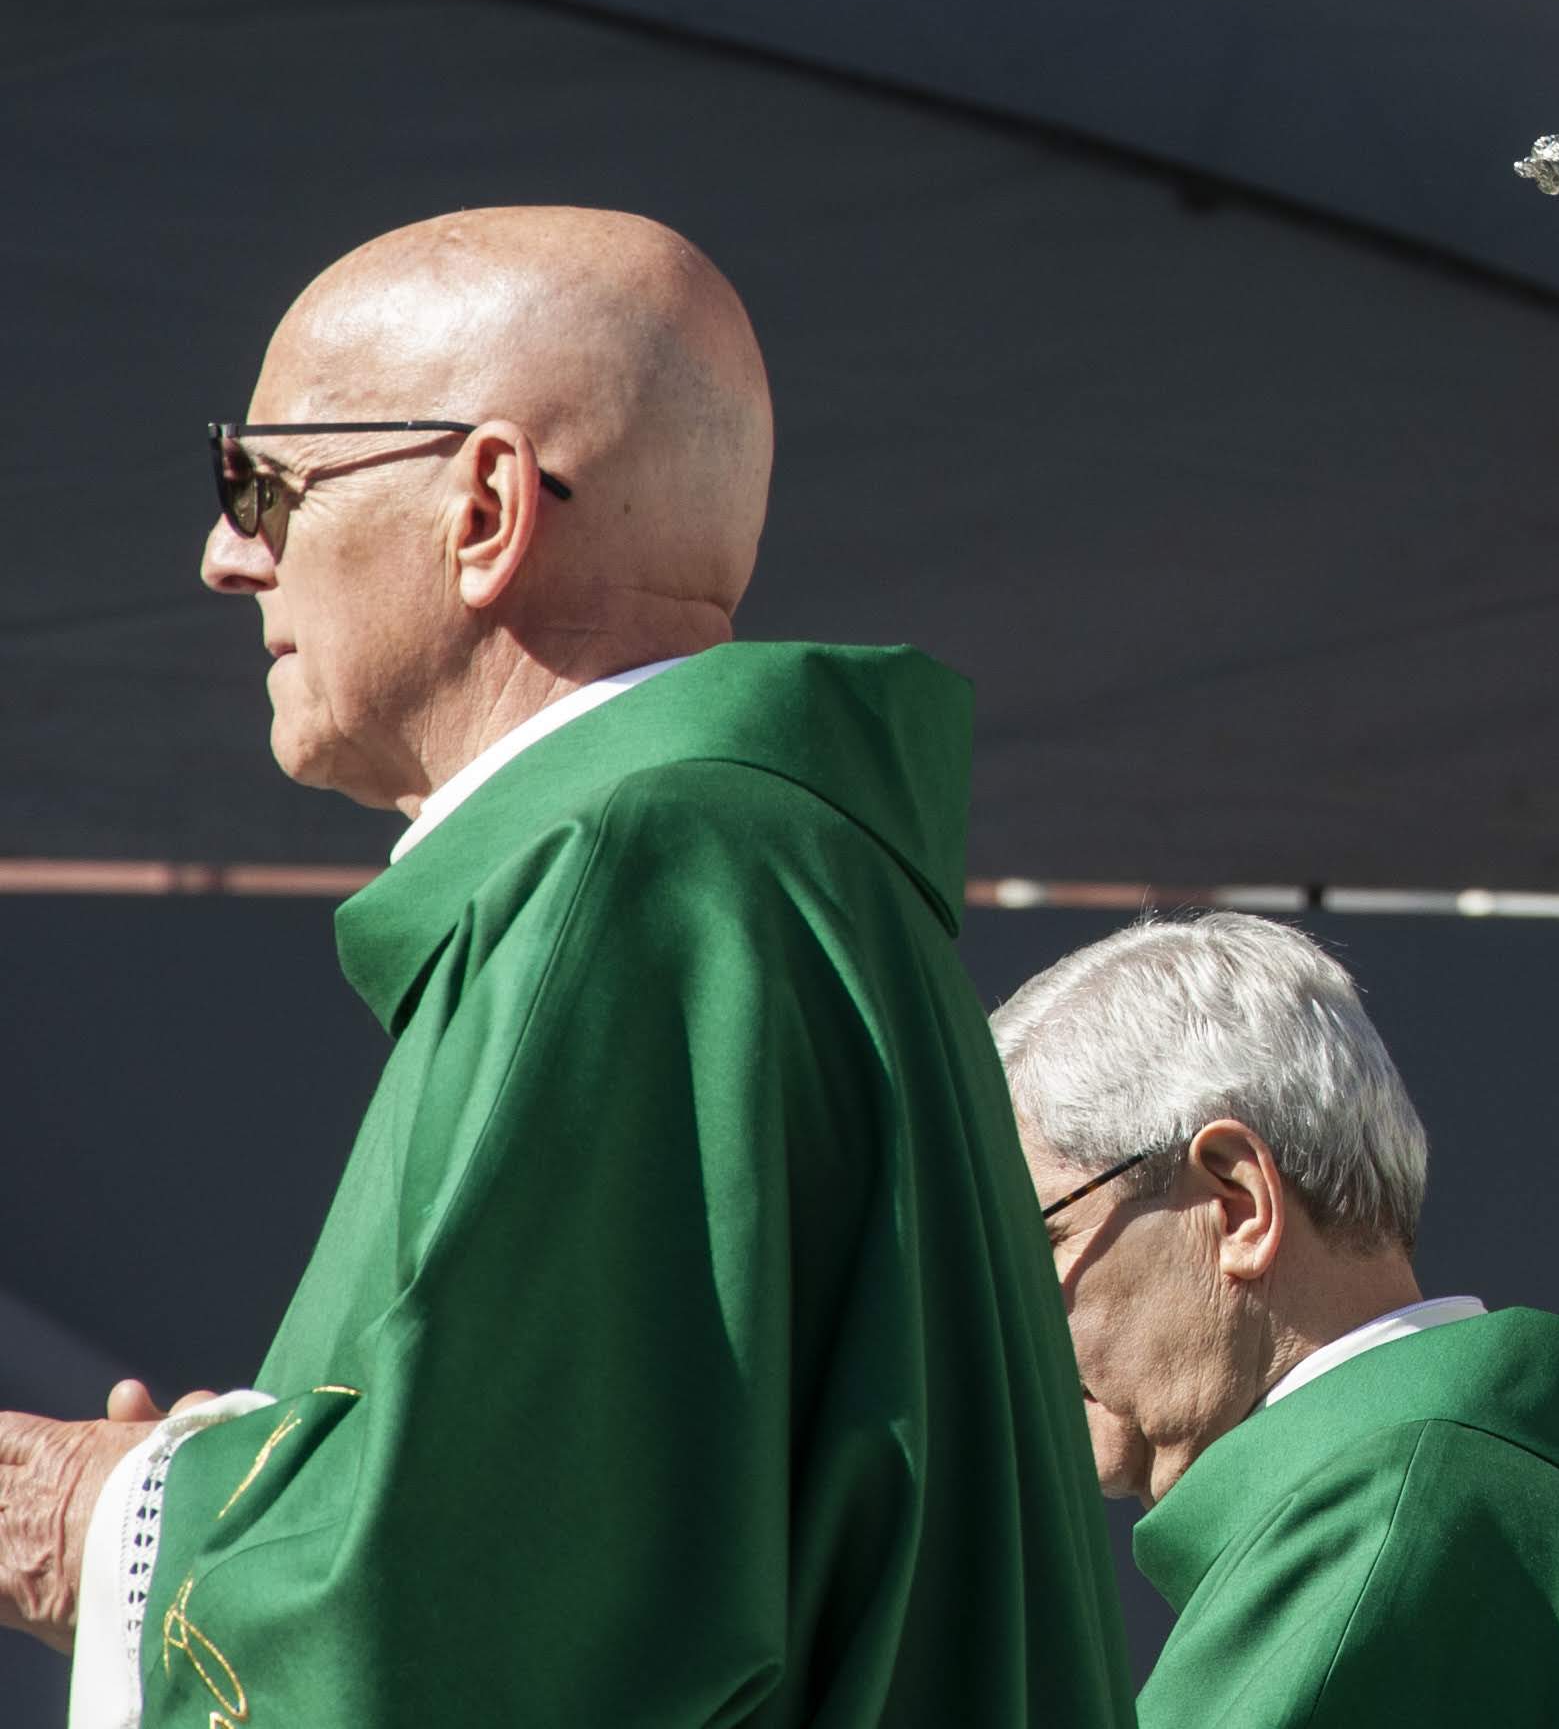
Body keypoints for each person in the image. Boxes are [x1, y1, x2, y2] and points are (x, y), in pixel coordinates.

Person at [0, 208, 1131, 1727]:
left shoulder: (653, 872)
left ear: (483, 505)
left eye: (258, 479)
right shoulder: (773, 867)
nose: (224, 553)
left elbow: (500, 1605)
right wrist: (264, 1477)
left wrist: (116, 1525)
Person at [992, 912, 1559, 1729]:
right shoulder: (1454, 1497)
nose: (1014, 1307)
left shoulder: (1380, 1537)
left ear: (1239, 1206)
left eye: (1039, 1237)